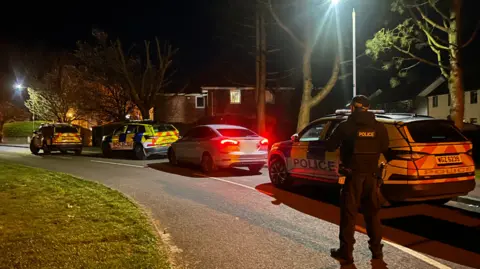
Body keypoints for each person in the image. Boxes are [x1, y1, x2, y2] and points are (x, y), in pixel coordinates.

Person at [325, 95, 390, 265]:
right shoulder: (380, 127)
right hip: (372, 177)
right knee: (373, 215)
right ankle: (377, 253)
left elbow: (330, 145)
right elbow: (384, 147)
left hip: (352, 177)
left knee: (349, 216)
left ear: (353, 108)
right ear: (368, 108)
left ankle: (346, 253)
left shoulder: (346, 126)